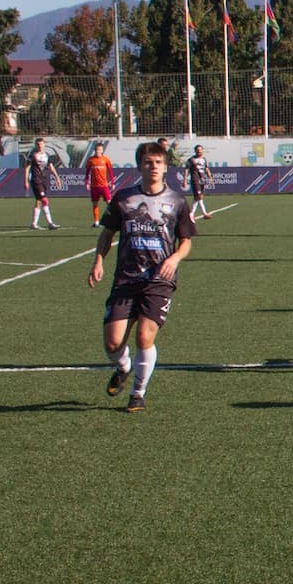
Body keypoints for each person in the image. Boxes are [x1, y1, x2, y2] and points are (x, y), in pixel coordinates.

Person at [88, 140, 196, 413]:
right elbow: (107, 233)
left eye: (159, 162)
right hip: (126, 278)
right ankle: (124, 367)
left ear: (166, 166)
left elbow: (186, 241)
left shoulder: (177, 201)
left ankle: (138, 393)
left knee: (145, 338)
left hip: (158, 280)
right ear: (140, 166)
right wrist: (98, 261)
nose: (154, 167)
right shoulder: (124, 199)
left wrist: (174, 258)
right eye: (149, 162)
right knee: (113, 343)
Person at [25, 136, 59, 229]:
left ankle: (34, 224)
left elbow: (51, 167)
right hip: (36, 180)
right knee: (44, 199)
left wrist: (57, 177)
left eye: (41, 144)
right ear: (36, 145)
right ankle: (50, 223)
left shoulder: (46, 155)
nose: (40, 146)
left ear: (44, 145)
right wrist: (26, 181)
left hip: (43, 180)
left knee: (39, 201)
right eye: (38, 144)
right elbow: (27, 168)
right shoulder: (32, 155)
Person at [84, 140, 114, 226]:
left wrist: (112, 183)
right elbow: (87, 172)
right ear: (94, 150)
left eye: (100, 149)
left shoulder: (106, 160)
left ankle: (112, 219)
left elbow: (110, 172)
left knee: (109, 203)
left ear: (102, 150)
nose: (98, 151)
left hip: (104, 186)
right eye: (96, 149)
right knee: (95, 204)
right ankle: (96, 222)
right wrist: (86, 183)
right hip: (94, 187)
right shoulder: (91, 160)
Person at [184, 144, 214, 220]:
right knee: (199, 196)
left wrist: (210, 178)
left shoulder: (204, 159)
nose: (199, 152)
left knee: (197, 198)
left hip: (202, 180)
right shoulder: (191, 160)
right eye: (198, 151)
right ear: (195, 151)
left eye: (200, 150)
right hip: (195, 180)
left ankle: (191, 214)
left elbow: (206, 168)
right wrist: (185, 180)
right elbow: (186, 169)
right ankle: (204, 213)